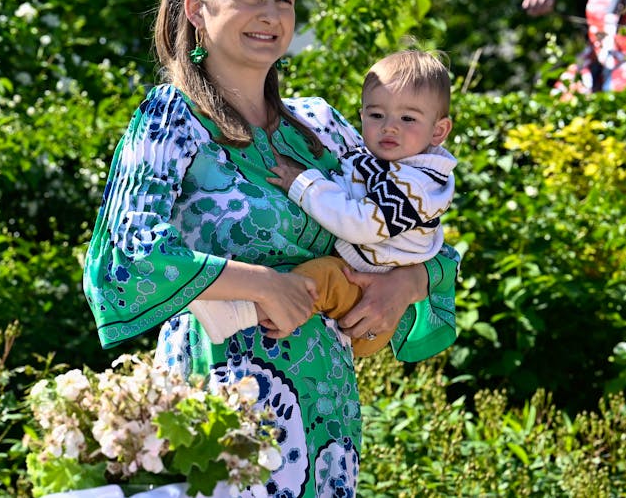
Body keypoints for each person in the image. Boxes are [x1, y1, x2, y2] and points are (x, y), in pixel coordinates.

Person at [82, 0, 461, 497]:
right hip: (217, 410)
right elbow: (124, 258)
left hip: (326, 414)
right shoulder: (169, 119)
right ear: (197, 9)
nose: (271, 13)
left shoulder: (322, 126)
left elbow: (416, 229)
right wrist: (263, 285)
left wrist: (407, 283)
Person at [188, 49, 457, 359]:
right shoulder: (177, 118)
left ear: (438, 131)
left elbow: (364, 222)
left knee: (323, 279)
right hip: (233, 368)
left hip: (364, 298)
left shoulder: (417, 182)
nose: (389, 127)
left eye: (407, 118)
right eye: (376, 115)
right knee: (325, 276)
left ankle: (241, 314)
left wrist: (304, 184)